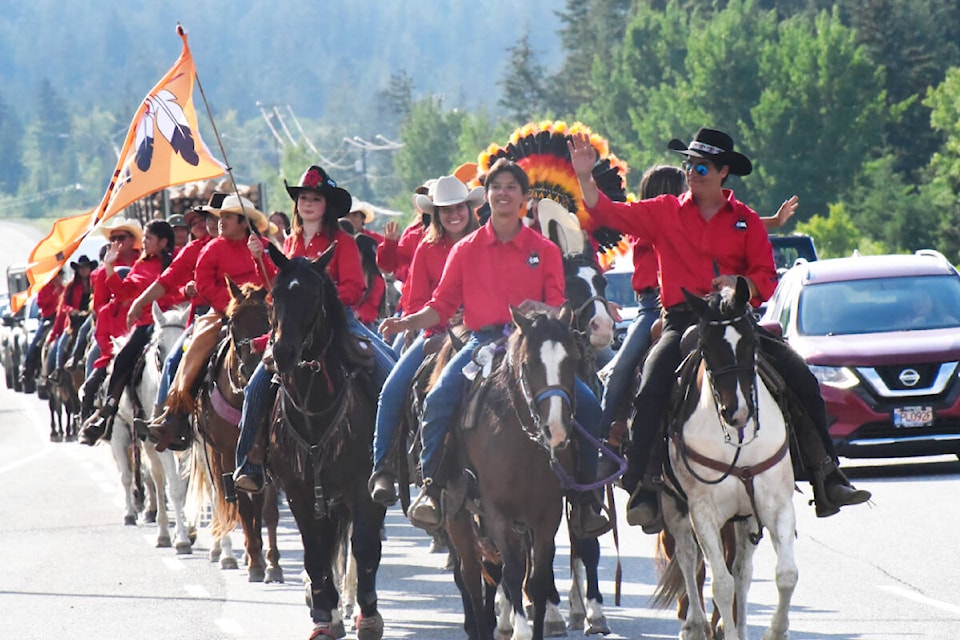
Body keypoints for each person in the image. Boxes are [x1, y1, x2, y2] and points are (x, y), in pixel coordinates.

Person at [569, 127, 871, 529]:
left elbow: (766, 276)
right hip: (682, 320)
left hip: (736, 321)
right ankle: (643, 484)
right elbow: (607, 212)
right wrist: (585, 177)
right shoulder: (662, 211)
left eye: (701, 166)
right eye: (688, 165)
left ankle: (827, 473)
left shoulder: (746, 221)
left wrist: (739, 285)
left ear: (723, 171)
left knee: (798, 374)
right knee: (651, 382)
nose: (691, 173)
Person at [379, 159, 610, 537]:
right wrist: (406, 322)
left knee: (587, 403)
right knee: (438, 397)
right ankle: (433, 490)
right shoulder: (466, 249)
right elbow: (441, 305)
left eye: (511, 187)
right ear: (486, 198)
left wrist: (547, 310)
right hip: (482, 342)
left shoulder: (545, 249)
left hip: (534, 344)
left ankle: (586, 499)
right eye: (496, 187)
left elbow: (558, 304)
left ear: (523, 198)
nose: (503, 193)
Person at [598, 166, 798, 443]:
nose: (689, 193)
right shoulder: (653, 222)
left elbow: (725, 223)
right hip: (653, 307)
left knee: (785, 365)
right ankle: (606, 435)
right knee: (622, 369)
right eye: (682, 188)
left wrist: (772, 223)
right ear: (663, 194)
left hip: (710, 306)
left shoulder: (690, 219)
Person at [231, 165, 397, 493]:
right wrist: (258, 259)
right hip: (293, 330)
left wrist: (321, 299)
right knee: (255, 388)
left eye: (315, 199)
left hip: (339, 322)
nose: (307, 204)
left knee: (389, 372)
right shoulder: (289, 243)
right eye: (303, 198)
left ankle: (389, 460)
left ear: (327, 206)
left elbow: (353, 287)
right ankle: (251, 460)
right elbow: (275, 288)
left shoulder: (343, 242)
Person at [368, 175, 483, 506]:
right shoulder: (426, 249)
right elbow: (415, 302)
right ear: (435, 214)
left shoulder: (487, 243)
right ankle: (384, 468)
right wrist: (447, 318)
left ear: (469, 209)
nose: (453, 215)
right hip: (436, 332)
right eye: (445, 210)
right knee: (391, 389)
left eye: (458, 207)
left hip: (484, 330)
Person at [146, 194, 278, 452]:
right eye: (220, 216)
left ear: (243, 222)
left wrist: (259, 259)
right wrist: (233, 307)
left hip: (264, 314)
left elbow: (275, 281)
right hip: (222, 311)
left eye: (227, 216)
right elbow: (204, 283)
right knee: (186, 353)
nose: (220, 221)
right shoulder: (212, 248)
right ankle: (175, 415)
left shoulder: (262, 246)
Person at [126, 195, 222, 429]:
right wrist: (139, 302)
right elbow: (167, 280)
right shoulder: (196, 248)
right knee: (172, 360)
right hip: (203, 316)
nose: (204, 223)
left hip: (246, 315)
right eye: (202, 218)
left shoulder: (252, 244)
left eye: (211, 217)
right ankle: (165, 416)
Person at [79, 220, 178, 445]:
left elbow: (183, 285)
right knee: (123, 358)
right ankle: (108, 410)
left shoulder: (177, 260)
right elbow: (123, 293)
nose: (144, 242)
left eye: (149, 238)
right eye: (144, 238)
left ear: (163, 242)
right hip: (147, 322)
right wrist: (110, 268)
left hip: (175, 319)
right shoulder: (141, 265)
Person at [78, 217, 143, 421]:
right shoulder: (100, 273)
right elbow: (98, 306)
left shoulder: (144, 262)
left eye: (121, 237)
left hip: (140, 321)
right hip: (109, 325)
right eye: (113, 238)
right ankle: (90, 411)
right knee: (91, 357)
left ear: (133, 239)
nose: (117, 241)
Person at [46, 255, 96, 384]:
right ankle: (58, 370)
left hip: (92, 317)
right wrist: (73, 311)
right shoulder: (72, 286)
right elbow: (64, 305)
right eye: (81, 268)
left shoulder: (96, 282)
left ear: (90, 268)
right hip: (74, 321)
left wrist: (90, 311)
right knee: (62, 343)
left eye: (86, 267)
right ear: (78, 270)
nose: (84, 270)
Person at [20, 270, 65, 392]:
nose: (58, 278)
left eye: (60, 276)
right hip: (48, 318)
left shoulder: (64, 289)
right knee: (35, 342)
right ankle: (27, 370)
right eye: (57, 276)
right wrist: (53, 296)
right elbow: (40, 303)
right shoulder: (44, 288)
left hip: (60, 318)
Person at [354, 233, 386, 330]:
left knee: (380, 345)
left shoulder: (377, 280)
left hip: (364, 324)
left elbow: (371, 307)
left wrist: (358, 314)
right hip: (342, 319)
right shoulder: (346, 272)